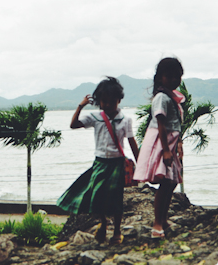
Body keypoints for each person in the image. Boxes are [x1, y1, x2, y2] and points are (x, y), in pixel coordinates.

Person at [57, 76, 140, 245]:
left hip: (117, 163)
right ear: (99, 101)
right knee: (96, 197)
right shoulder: (95, 117)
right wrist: (80, 106)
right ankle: (103, 222)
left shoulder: (126, 120)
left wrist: (140, 164)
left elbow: (132, 142)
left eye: (111, 101)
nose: (107, 105)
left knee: (117, 199)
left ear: (119, 100)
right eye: (104, 101)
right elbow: (73, 125)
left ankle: (116, 231)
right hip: (100, 163)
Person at [133, 57, 186, 239]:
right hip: (162, 142)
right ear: (160, 77)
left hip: (171, 141)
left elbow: (176, 124)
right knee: (165, 183)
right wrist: (165, 150)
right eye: (169, 76)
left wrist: (178, 143)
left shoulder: (172, 97)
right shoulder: (162, 97)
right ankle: (157, 223)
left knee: (171, 182)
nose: (174, 80)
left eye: (177, 76)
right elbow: (161, 124)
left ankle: (163, 219)